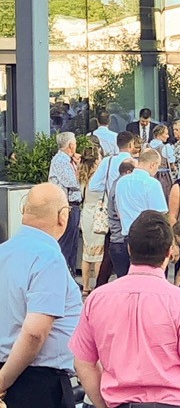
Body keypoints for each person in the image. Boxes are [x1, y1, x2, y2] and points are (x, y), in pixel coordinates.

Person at [71, 210, 180, 408]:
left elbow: (83, 363)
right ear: (169, 252)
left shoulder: (97, 299)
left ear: (129, 249)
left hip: (119, 403)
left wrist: (102, 404)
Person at [0, 183, 82, 407]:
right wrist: (3, 380)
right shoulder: (48, 258)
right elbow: (35, 332)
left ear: (24, 211)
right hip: (37, 384)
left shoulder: (3, 252)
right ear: (62, 216)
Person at [110, 148, 169, 278]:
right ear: (153, 164)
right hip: (149, 240)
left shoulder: (121, 182)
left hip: (127, 237)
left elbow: (118, 211)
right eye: (157, 166)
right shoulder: (152, 183)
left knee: (126, 281)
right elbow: (159, 215)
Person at [47, 131, 83, 270]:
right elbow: (73, 182)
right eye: (75, 143)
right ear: (71, 145)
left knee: (72, 244)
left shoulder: (68, 161)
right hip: (67, 206)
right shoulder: (61, 161)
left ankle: (70, 273)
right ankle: (63, 273)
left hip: (72, 206)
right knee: (66, 244)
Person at [76, 139, 104, 291]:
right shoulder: (98, 178)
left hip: (85, 214)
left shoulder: (82, 176)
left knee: (86, 253)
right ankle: (99, 287)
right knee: (99, 254)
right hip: (98, 215)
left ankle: (86, 286)